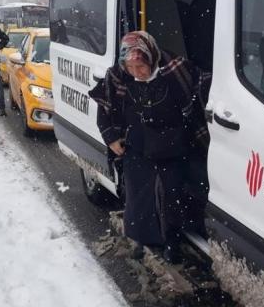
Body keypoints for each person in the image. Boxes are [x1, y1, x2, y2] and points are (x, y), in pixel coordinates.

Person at [89, 31, 211, 264]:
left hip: (173, 146)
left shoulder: (176, 71)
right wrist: (112, 138)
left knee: (171, 197)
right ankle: (142, 240)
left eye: (141, 67)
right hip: (136, 147)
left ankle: (172, 243)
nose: (136, 73)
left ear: (151, 56)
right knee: (138, 197)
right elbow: (104, 112)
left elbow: (202, 91)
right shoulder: (117, 77)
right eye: (130, 68)